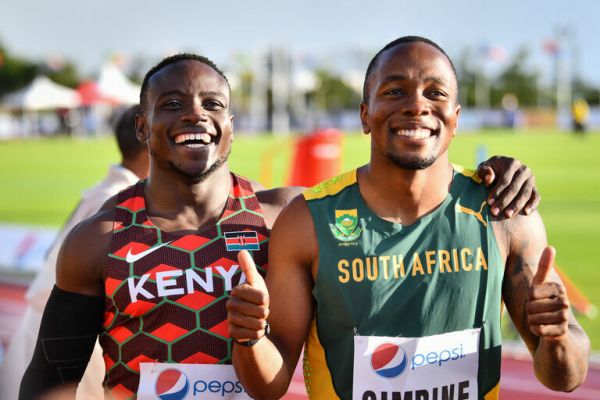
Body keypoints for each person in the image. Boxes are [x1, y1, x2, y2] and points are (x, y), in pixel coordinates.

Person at [20, 52, 539, 400]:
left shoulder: (285, 216)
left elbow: (394, 188)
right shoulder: (99, 239)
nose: (194, 116)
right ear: (141, 126)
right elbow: (52, 373)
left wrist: (496, 173)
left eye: (213, 105)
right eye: (172, 105)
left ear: (231, 125)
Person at [227, 37, 590, 400]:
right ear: (365, 115)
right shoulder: (307, 221)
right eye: (396, 91)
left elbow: (564, 377)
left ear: (456, 118)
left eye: (436, 93)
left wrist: (556, 337)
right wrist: (250, 336)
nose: (417, 105)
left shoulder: (503, 214)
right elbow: (269, 386)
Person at [0, 104, 149, 400]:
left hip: (52, 335)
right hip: (65, 342)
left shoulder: (107, 194)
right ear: (148, 143)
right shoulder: (118, 206)